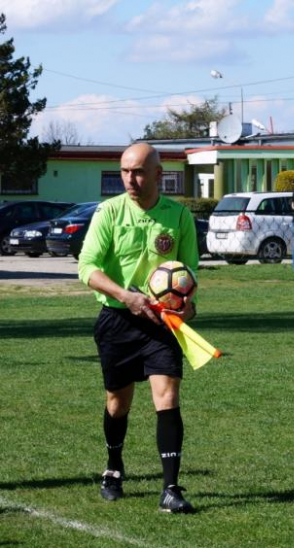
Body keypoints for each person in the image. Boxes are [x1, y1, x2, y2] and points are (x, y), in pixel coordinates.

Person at [78, 143, 199, 514]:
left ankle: (171, 488)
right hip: (117, 319)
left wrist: (187, 306)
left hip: (162, 322)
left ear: (159, 174)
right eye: (126, 171)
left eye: (139, 171)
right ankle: (113, 469)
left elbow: (188, 274)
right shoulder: (109, 212)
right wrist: (124, 296)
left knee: (167, 396)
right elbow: (87, 268)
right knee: (118, 403)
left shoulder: (178, 217)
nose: (131, 178)